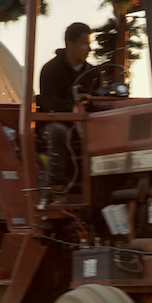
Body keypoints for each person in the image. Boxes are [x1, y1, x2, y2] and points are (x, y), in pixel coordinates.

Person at [37, 23, 93, 189]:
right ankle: (57, 187)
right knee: (58, 132)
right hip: (57, 121)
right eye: (84, 43)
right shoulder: (50, 70)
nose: (88, 49)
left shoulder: (93, 73)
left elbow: (98, 98)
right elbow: (48, 103)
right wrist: (74, 105)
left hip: (87, 123)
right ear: (70, 44)